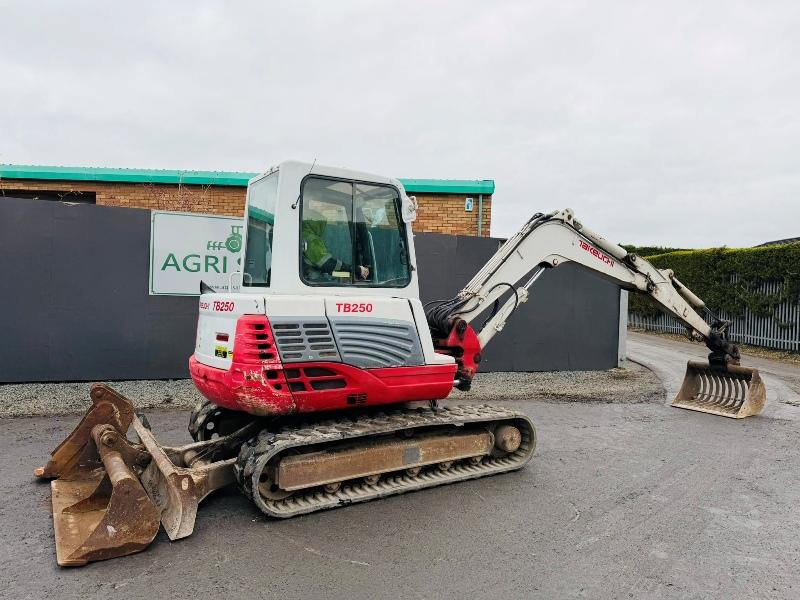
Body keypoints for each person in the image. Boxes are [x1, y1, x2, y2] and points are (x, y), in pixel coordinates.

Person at [302, 211, 369, 281]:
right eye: (322, 225)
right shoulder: (312, 240)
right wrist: (355, 269)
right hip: (311, 280)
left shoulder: (305, 235)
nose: (323, 228)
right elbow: (327, 263)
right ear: (317, 224)